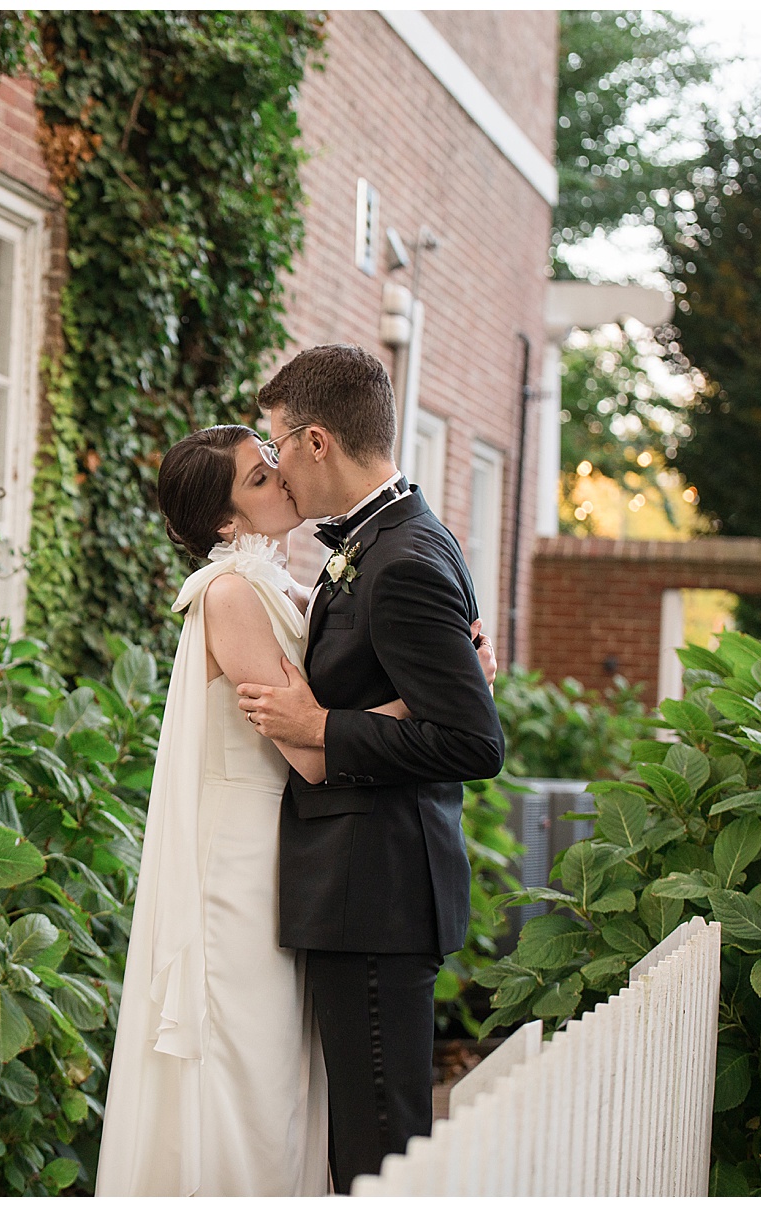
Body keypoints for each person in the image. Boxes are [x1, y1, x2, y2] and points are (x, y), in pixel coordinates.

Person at [94, 422, 495, 1196]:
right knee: (248, 1064)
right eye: (256, 478)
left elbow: (337, 696)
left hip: (287, 853)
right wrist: (439, 697)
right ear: (224, 522)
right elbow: (310, 752)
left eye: (272, 463)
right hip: (238, 870)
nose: (279, 479)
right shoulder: (232, 594)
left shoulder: (282, 581)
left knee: (282, 1066)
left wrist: (454, 666)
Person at [235, 344, 505, 1189]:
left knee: (379, 1154)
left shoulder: (401, 558)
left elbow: (473, 742)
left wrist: (325, 726)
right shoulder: (401, 535)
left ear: (318, 441)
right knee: (364, 1141)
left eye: (278, 443)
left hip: (377, 895)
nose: (275, 463)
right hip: (366, 891)